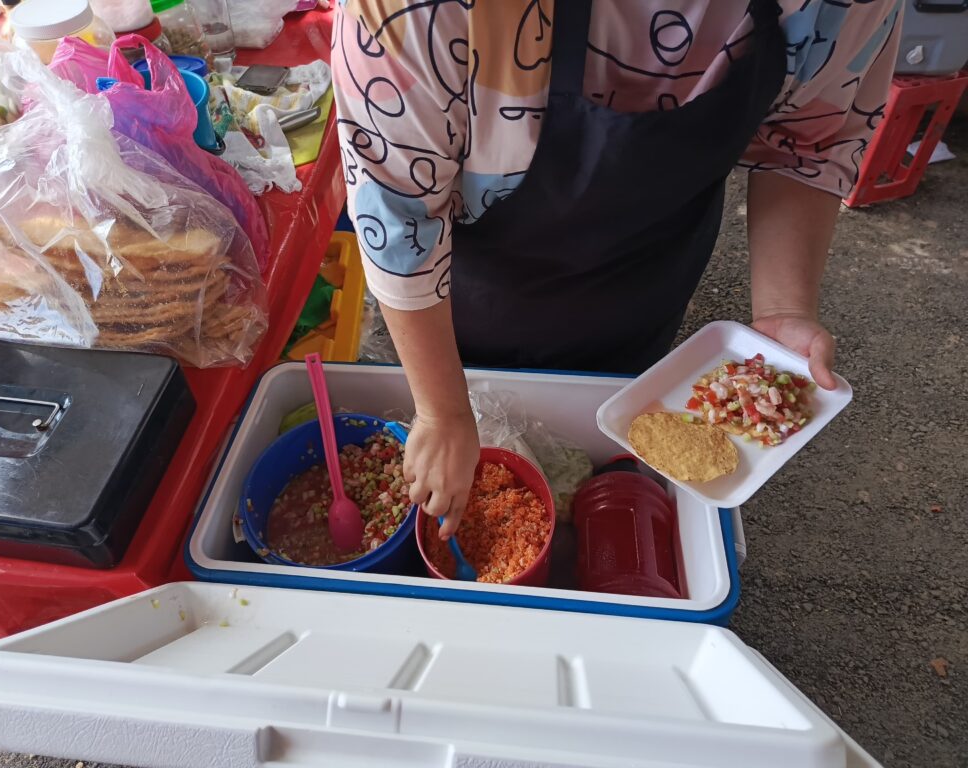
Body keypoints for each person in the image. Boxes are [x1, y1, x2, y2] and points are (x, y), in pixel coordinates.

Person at [331, 0, 901, 537]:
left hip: (643, 288)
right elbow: (398, 215)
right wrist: (441, 409)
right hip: (460, 299)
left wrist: (783, 308)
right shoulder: (426, 11)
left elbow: (808, 144)